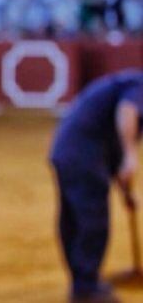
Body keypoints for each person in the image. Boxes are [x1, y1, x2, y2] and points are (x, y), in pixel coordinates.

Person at [50, 70, 143, 303]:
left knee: (72, 219)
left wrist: (126, 193)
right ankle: (86, 285)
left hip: (65, 151)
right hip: (84, 154)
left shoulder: (127, 84)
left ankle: (82, 279)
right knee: (93, 220)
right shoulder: (138, 86)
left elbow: (115, 155)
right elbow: (127, 110)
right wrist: (131, 154)